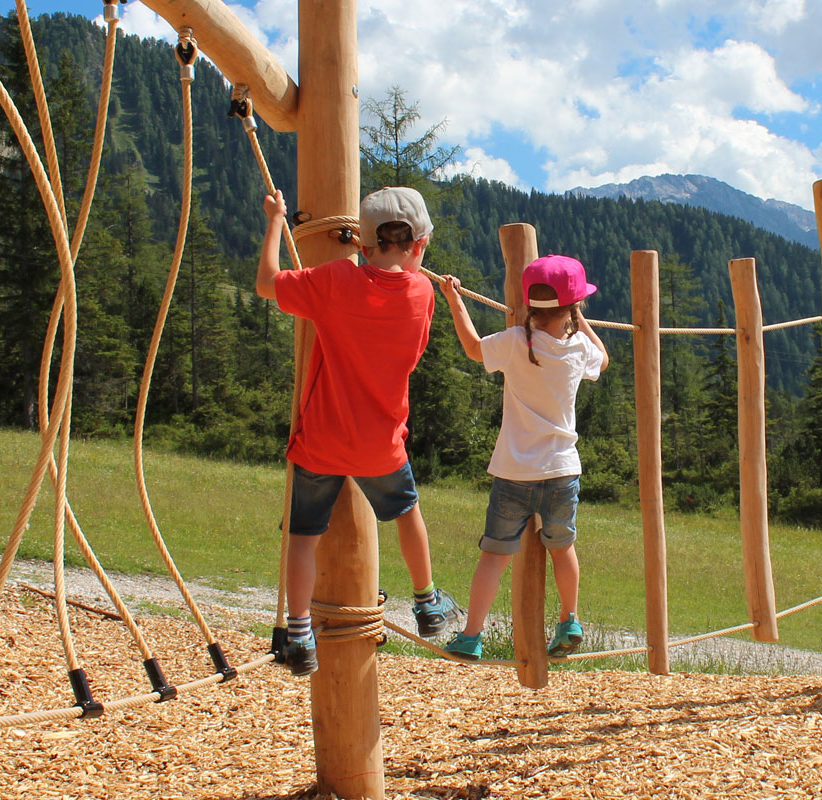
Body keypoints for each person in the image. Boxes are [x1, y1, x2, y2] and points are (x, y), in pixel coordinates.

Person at [253, 186, 459, 676]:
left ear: (362, 245)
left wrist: (277, 222)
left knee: (304, 536)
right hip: (381, 447)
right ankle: (427, 602)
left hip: (320, 442)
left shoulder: (334, 281)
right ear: (421, 244)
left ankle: (300, 634)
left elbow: (267, 283)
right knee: (406, 511)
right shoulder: (424, 292)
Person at [436, 255, 609, 661]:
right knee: (562, 548)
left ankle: (472, 635)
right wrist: (579, 319)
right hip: (562, 470)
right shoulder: (578, 346)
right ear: (571, 307)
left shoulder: (515, 340)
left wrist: (453, 298)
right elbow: (603, 358)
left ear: (529, 304)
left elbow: (473, 349)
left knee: (494, 556)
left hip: (514, 473)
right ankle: (570, 619)